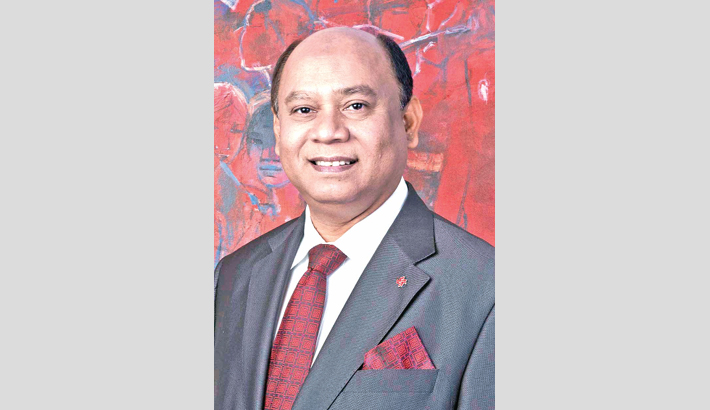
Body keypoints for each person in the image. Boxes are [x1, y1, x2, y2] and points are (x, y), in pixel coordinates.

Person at [214, 27, 494, 410]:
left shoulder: (485, 288)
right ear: (279, 131)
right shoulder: (233, 275)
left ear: (408, 122)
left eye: (356, 106)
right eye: (304, 110)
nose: (328, 132)